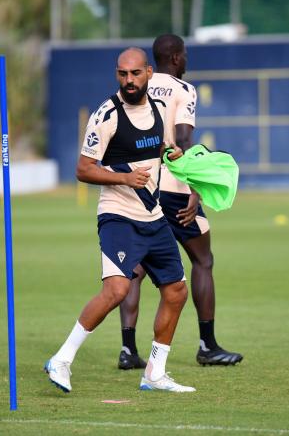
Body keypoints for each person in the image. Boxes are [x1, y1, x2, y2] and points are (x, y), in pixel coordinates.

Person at [44, 47, 195, 393]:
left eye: (135, 74)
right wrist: (125, 179)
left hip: (153, 215)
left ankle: (155, 373)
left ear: (149, 74)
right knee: (117, 289)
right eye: (122, 74)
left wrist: (170, 154)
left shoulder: (158, 110)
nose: (129, 80)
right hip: (118, 216)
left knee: (176, 291)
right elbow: (83, 170)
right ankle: (62, 359)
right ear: (117, 75)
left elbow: (160, 149)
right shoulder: (107, 115)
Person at [117, 34, 243, 370]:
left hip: (140, 185)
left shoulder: (135, 84)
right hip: (174, 188)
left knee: (136, 269)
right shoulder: (183, 89)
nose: (186, 60)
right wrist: (195, 188)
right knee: (203, 260)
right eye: (184, 55)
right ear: (174, 57)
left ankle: (128, 349)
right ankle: (207, 346)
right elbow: (184, 139)